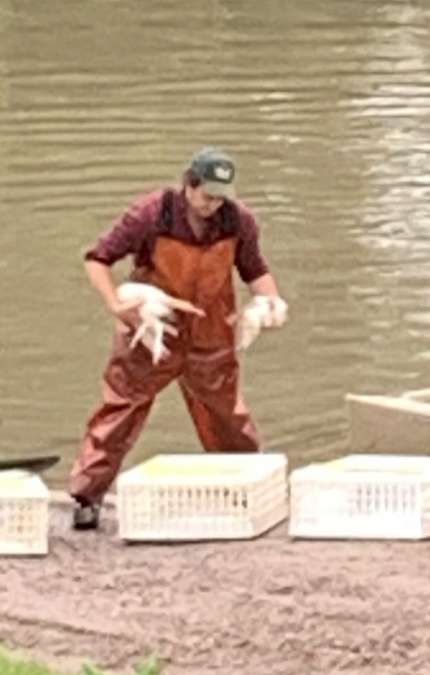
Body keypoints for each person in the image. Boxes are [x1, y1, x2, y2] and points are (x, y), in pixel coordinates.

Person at [68, 147, 287, 530]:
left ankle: (249, 489)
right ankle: (87, 497)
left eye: (222, 197)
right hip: (152, 329)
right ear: (189, 184)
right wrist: (118, 307)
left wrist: (270, 302)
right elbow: (97, 259)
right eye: (207, 196)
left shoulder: (239, 222)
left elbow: (255, 271)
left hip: (211, 333)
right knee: (119, 410)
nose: (213, 205)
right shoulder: (151, 214)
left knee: (229, 420)